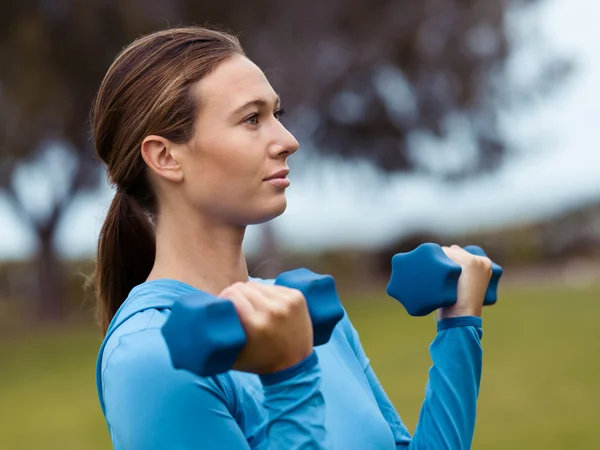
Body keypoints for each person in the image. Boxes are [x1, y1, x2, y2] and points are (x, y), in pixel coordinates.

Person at [93, 26, 493, 450]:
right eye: (251, 119)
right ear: (165, 156)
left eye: (276, 115)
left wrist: (458, 327)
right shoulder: (153, 354)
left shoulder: (301, 313)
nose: (288, 141)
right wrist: (289, 377)